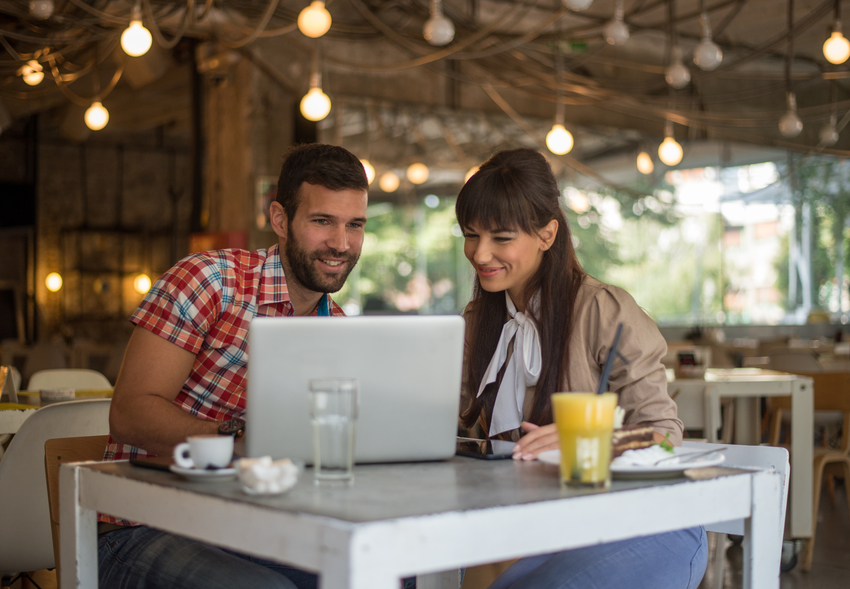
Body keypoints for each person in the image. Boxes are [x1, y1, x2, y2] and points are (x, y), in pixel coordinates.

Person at [97, 143, 369, 589]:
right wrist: (242, 441)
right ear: (280, 220)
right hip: (139, 525)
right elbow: (128, 414)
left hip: (245, 524)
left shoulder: (337, 329)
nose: (341, 244)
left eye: (354, 225)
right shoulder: (209, 281)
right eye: (323, 221)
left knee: (384, 577)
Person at [455, 148, 707, 589]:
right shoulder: (477, 323)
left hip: (624, 521)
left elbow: (664, 434)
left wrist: (586, 439)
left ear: (547, 234)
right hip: (530, 520)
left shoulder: (603, 310)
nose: (480, 254)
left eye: (501, 237)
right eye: (471, 235)